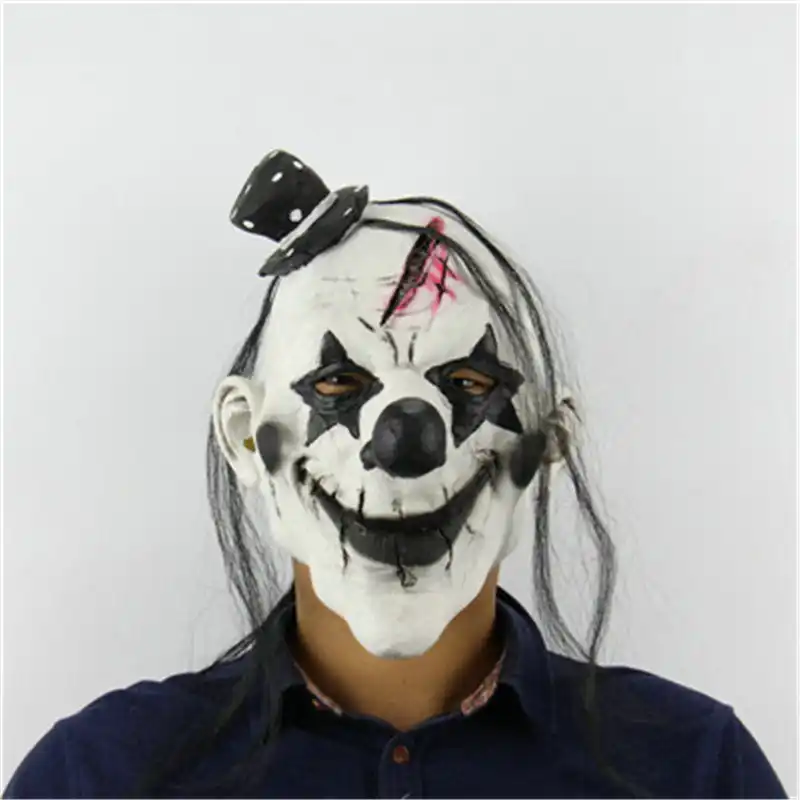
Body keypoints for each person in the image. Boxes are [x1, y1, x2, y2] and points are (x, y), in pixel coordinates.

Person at [4, 150, 788, 799]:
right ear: (246, 438)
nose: (406, 443)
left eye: (470, 384)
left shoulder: (693, 770)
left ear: (546, 445)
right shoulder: (100, 777)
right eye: (338, 383)